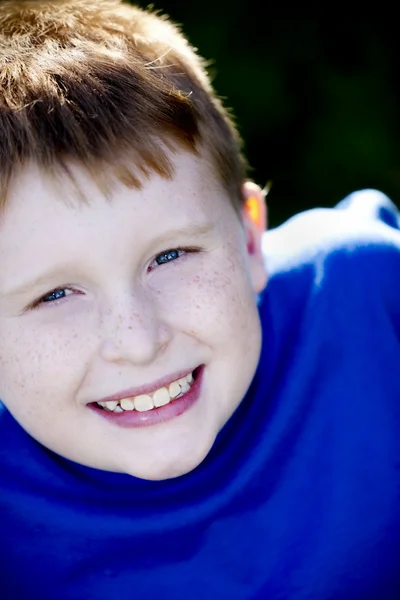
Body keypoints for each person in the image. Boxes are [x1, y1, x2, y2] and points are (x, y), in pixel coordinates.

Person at [0, 1, 399, 598]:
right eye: (56, 294)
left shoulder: (363, 298)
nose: (137, 342)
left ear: (251, 236)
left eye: (171, 256)